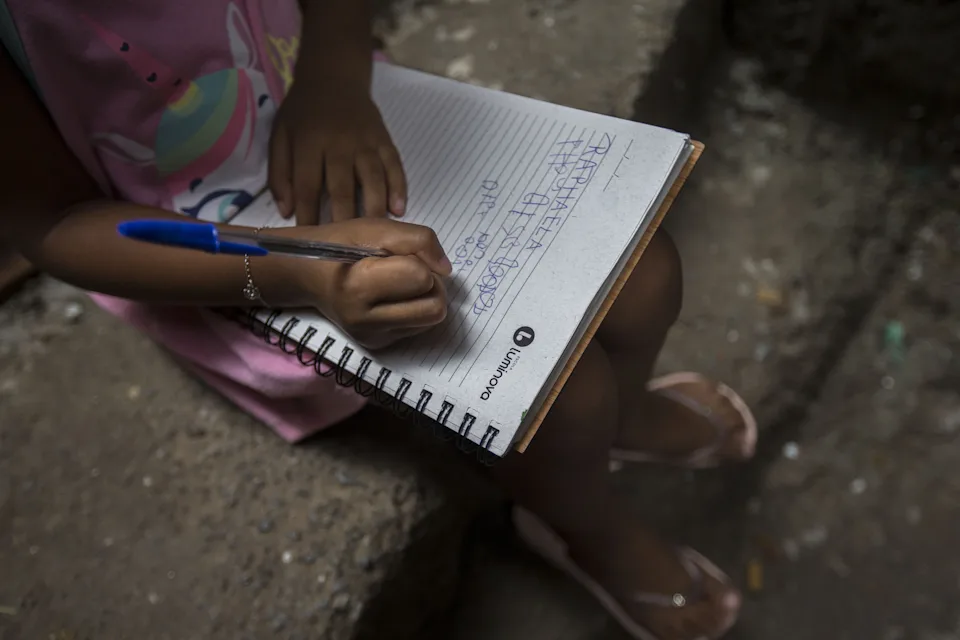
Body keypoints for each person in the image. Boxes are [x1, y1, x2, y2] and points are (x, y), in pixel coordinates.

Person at [0, 2, 757, 638]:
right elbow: (60, 224)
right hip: (217, 248)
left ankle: (624, 419)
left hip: (342, 113)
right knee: (561, 399)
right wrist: (291, 269)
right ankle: (589, 528)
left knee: (649, 272)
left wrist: (334, 73)